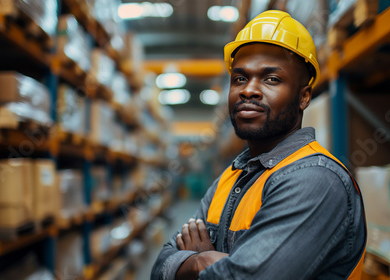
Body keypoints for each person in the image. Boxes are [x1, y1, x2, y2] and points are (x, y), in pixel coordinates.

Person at [151, 10, 366, 280]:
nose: (248, 90)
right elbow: (159, 267)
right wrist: (204, 262)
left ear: (304, 97)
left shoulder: (316, 181)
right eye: (239, 78)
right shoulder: (228, 179)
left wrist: (194, 262)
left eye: (271, 79)